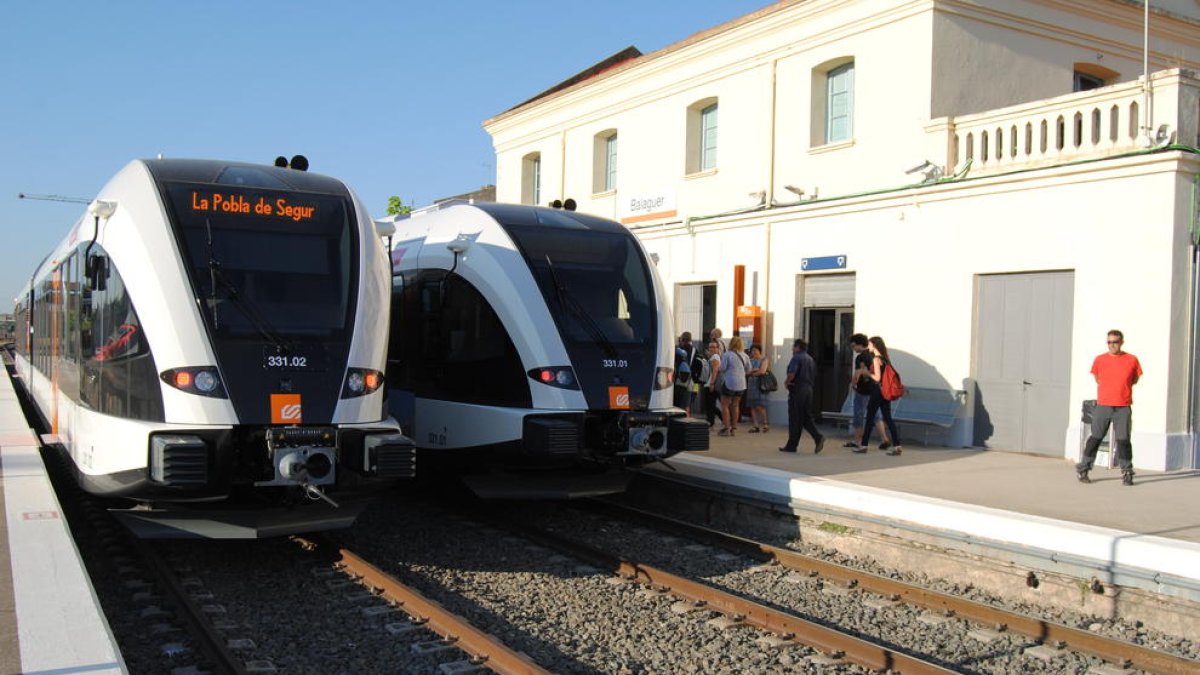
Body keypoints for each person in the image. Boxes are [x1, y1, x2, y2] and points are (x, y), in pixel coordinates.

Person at [1077, 330, 1142, 486]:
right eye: (1109, 342)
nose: (1112, 345)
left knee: (1124, 441)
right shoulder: (1100, 360)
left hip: (1123, 406)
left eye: (1115, 342)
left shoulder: (1131, 360)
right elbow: (1098, 378)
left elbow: (1135, 379)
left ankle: (1127, 472)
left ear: (1121, 342)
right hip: (1104, 405)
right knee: (1096, 438)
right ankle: (1084, 468)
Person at [845, 333, 892, 450]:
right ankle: (884, 439)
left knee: (859, 414)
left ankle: (858, 441)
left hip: (863, 390)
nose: (853, 349)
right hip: (876, 390)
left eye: (853, 346)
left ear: (859, 344)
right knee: (876, 415)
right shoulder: (874, 354)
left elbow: (858, 374)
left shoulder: (860, 357)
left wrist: (853, 384)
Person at [857, 336, 903, 456]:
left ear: (875, 345)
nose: (869, 346)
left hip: (877, 391)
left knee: (870, 417)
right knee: (888, 417)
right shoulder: (885, 359)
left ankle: (863, 445)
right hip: (884, 392)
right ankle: (897, 446)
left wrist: (867, 373)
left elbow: (877, 378)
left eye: (870, 344)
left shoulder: (876, 359)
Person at [778, 339, 824, 453]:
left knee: (795, 417)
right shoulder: (810, 359)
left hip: (798, 389)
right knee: (805, 416)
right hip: (808, 389)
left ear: (798, 347)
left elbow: (792, 373)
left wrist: (787, 382)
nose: (792, 349)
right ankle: (816, 437)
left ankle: (793, 444)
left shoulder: (797, 358)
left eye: (793, 347)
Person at [717, 335, 750, 436]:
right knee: (736, 405)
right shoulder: (745, 356)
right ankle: (734, 428)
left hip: (729, 382)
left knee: (725, 405)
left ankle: (726, 427)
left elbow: (722, 368)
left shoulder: (727, 355)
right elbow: (748, 369)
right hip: (741, 384)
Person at [745, 344, 771, 432]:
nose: (754, 352)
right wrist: (753, 371)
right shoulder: (749, 360)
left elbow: (762, 371)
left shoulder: (764, 359)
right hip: (751, 385)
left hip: (760, 384)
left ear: (760, 351)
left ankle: (765, 424)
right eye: (752, 350)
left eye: (756, 350)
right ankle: (755, 425)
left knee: (760, 405)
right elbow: (746, 372)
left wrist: (752, 373)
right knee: (752, 405)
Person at [673, 332, 696, 412]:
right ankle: (688, 415)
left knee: (680, 402)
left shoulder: (679, 350)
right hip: (693, 381)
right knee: (689, 402)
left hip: (680, 380)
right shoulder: (695, 350)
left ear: (681, 339)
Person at [703, 340, 722, 428]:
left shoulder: (715, 357)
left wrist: (712, 383)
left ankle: (711, 421)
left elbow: (715, 371)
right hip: (708, 383)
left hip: (710, 383)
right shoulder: (712, 356)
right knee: (711, 404)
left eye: (715, 347)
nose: (713, 349)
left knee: (710, 404)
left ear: (718, 348)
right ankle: (721, 418)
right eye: (711, 347)